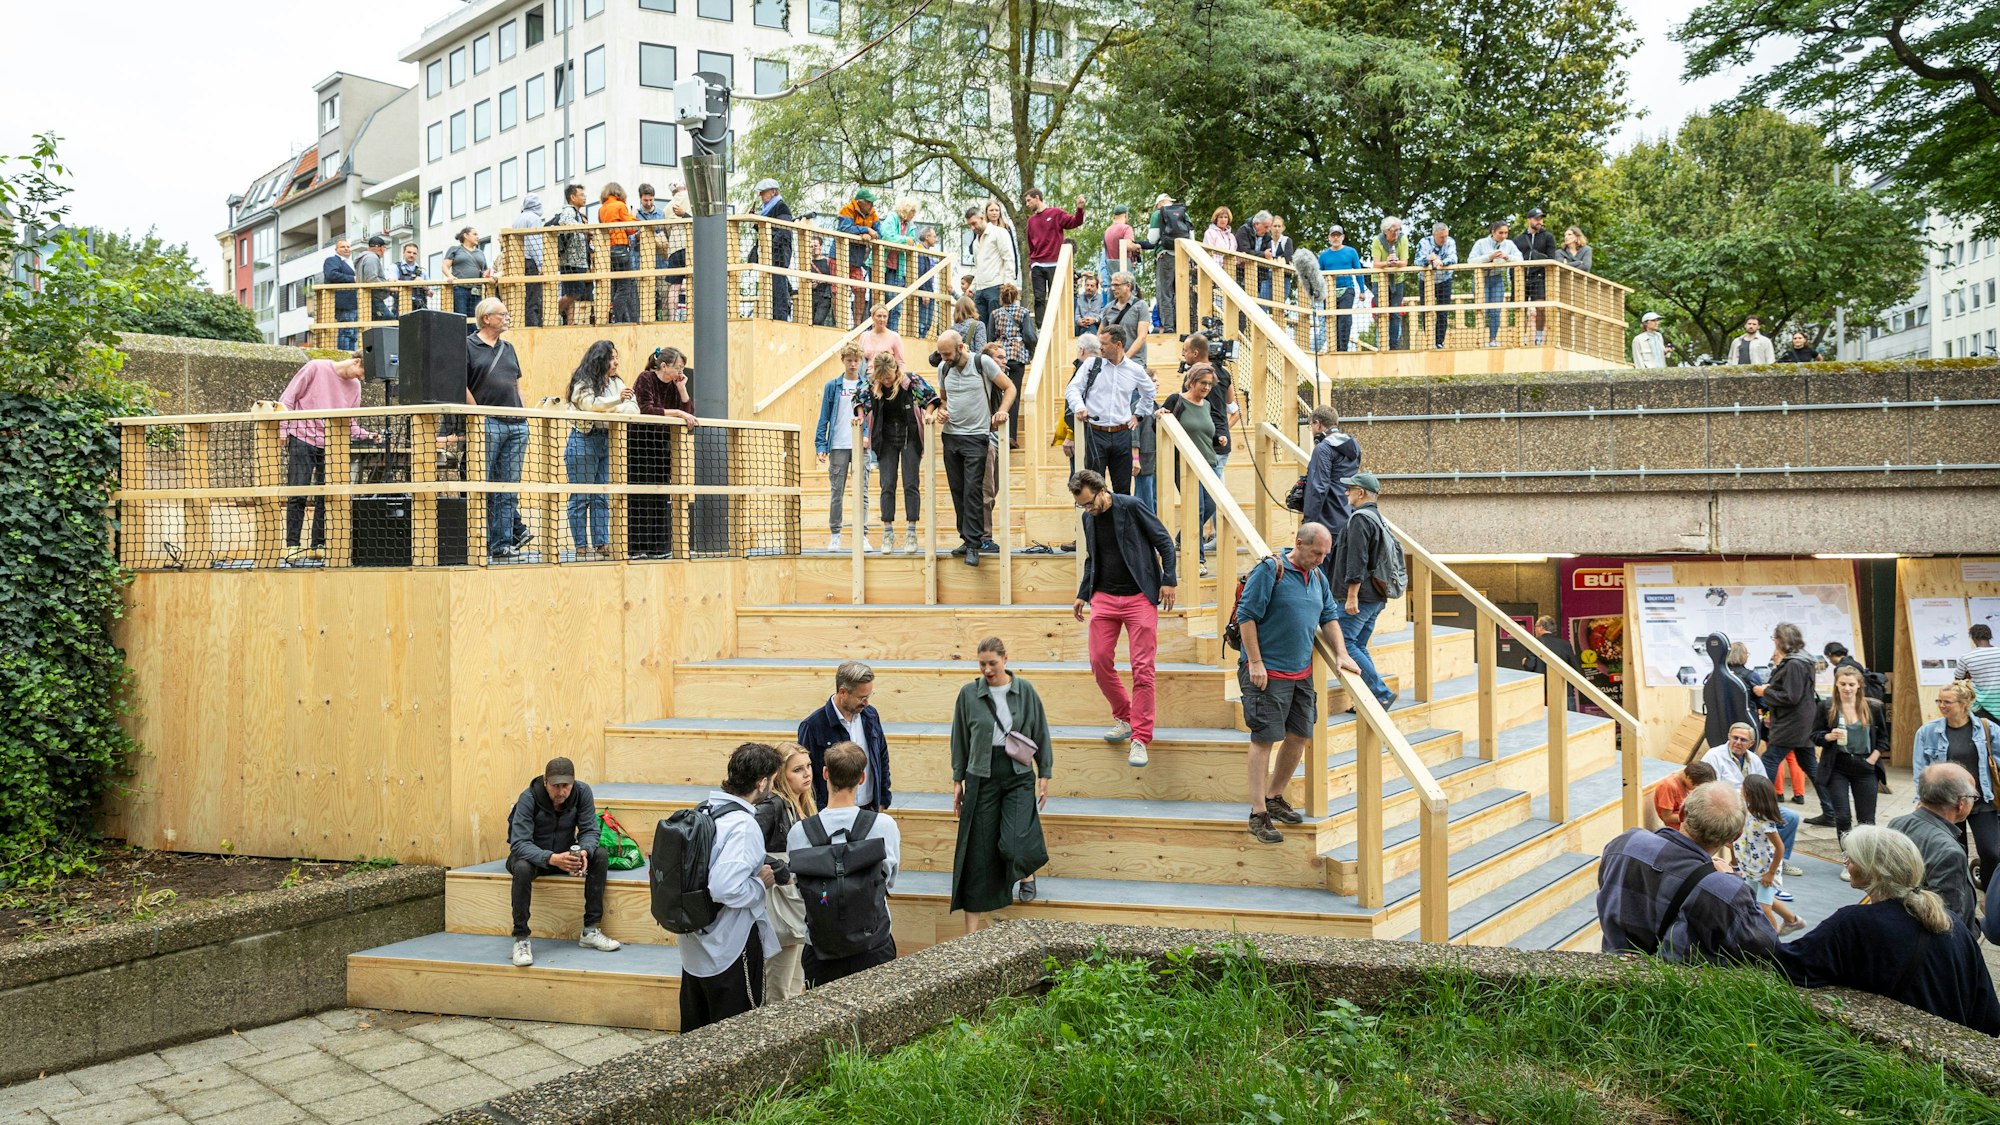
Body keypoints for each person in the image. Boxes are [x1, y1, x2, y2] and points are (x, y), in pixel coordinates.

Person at [1777, 826, 2000, 1035]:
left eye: (1850, 858)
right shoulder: (1951, 923)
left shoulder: (1853, 923)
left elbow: (1785, 965)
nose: (1845, 862)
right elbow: (1989, 1016)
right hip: (1947, 1054)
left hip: (1892, 1051)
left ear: (1872, 870)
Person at [1236, 523, 1361, 843]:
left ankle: (1274, 797)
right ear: (1299, 543)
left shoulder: (1317, 577)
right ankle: (1257, 813)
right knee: (1264, 738)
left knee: (1300, 735)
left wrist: (1342, 653)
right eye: (1316, 553)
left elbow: (1329, 617)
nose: (1321, 559)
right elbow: (1246, 616)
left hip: (1300, 673)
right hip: (1267, 672)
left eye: (1325, 554)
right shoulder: (1270, 570)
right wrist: (1255, 662)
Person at [1596, 781, 1777, 963]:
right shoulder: (1725, 890)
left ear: (1681, 813)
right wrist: (1730, 879)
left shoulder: (1624, 843)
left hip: (1612, 968)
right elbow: (1768, 947)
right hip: (1671, 978)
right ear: (1735, 837)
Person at [1070, 469, 1178, 768]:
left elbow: (1164, 542)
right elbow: (1092, 558)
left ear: (1103, 491)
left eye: (1090, 503)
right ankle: (1125, 717)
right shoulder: (1088, 519)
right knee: (1098, 661)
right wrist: (1083, 593)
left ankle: (1140, 738)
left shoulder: (1131, 506)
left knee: (1143, 669)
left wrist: (1169, 579)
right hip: (1104, 597)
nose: (1087, 510)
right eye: (1082, 506)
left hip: (1139, 596)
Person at [949, 637, 1052, 930]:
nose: (987, 670)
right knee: (979, 851)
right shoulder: (969, 694)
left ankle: (1027, 872)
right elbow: (960, 737)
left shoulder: (1025, 691)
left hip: (1018, 774)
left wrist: (1044, 772)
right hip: (981, 774)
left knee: (1013, 844)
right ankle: (973, 928)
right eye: (982, 664)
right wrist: (957, 779)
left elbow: (1040, 731)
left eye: (992, 663)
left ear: (1005, 658)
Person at [680, 742, 782, 1032]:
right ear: (761, 782)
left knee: (695, 1034)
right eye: (772, 781)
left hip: (694, 942)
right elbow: (724, 887)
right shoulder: (743, 825)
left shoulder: (703, 810)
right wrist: (760, 884)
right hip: (730, 946)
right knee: (737, 1035)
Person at [789, 740, 904, 983]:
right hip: (874, 944)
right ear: (862, 778)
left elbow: (800, 889)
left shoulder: (799, 832)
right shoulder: (884, 825)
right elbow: (888, 881)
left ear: (825, 774)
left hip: (821, 948)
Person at [505, 756, 621, 968]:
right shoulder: (528, 798)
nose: (561, 792)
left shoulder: (582, 792)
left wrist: (583, 852)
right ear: (545, 782)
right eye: (555, 786)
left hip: (564, 854)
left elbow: (590, 830)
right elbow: (519, 843)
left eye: (566, 786)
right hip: (533, 857)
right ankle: (521, 939)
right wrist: (551, 858)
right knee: (521, 867)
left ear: (573, 782)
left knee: (600, 855)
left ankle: (590, 930)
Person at [277, 355, 374, 564]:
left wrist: (368, 435)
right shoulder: (315, 367)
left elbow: (351, 424)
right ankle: (292, 545)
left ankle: (318, 545)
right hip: (302, 438)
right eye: (362, 373)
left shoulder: (355, 386)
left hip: (332, 444)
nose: (361, 378)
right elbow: (287, 399)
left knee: (326, 496)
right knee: (298, 493)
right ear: (356, 362)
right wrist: (283, 429)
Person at [932, 330, 1014, 566]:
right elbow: (944, 399)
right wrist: (941, 411)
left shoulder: (982, 362)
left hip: (977, 435)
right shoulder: (943, 368)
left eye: (948, 354)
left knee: (973, 490)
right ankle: (966, 538)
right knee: (958, 490)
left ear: (961, 348)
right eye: (941, 354)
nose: (944, 358)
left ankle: (974, 543)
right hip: (951, 436)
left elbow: (1010, 388)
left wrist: (1002, 411)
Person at [1913, 680, 2000, 886]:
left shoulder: (1987, 729)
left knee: (1992, 853)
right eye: (1939, 701)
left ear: (1963, 704)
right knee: (1954, 854)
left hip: (1981, 801)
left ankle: (1990, 893)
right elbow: (1921, 771)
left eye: (1947, 702)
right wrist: (1920, 799)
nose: (1942, 706)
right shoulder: (1927, 732)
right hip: (1946, 803)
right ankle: (1961, 894)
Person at [465, 298, 531, 559]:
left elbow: (517, 384)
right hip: (488, 422)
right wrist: (477, 415)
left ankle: (501, 544)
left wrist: (524, 413)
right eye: (502, 314)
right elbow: (461, 384)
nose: (507, 318)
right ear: (486, 318)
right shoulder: (468, 346)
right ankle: (478, 541)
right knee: (484, 485)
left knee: (508, 488)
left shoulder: (509, 348)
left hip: (517, 425)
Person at [1329, 471, 1401, 711]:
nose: (1345, 493)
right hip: (1375, 596)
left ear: (1360, 493)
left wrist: (1352, 595)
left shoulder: (1360, 519)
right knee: (1357, 645)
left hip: (1361, 597)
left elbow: (1357, 559)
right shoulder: (1377, 518)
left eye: (1349, 489)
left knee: (1344, 643)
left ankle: (1381, 694)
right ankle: (1372, 698)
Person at [857, 353, 938, 555]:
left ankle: (911, 532)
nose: (886, 381)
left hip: (909, 435)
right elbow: (858, 401)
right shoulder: (872, 384)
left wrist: (928, 413)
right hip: (885, 438)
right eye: (882, 378)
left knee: (911, 483)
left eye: (889, 377)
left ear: (895, 370)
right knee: (887, 484)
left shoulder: (911, 381)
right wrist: (860, 417)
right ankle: (888, 533)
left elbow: (931, 397)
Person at [1701, 722, 1804, 879]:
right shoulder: (1713, 755)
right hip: (1729, 806)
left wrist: (1766, 806)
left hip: (1755, 806)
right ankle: (1744, 861)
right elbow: (1710, 788)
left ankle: (1778, 861)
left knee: (1791, 817)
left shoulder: (1754, 759)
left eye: (1743, 740)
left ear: (1751, 743)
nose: (1738, 742)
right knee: (1751, 824)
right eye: (1735, 738)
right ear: (1728, 737)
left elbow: (1765, 785)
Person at [565, 340, 637, 559]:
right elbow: (590, 405)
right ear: (600, 360)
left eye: (616, 358)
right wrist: (617, 402)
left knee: (602, 496)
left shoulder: (617, 382)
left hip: (608, 440)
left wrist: (612, 407)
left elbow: (633, 407)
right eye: (611, 358)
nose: (616, 363)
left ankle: (601, 543)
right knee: (581, 495)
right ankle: (580, 545)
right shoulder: (583, 381)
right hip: (584, 439)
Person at [1889, 763, 1981, 933]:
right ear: (1961, 802)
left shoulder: (1897, 823)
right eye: (1973, 797)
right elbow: (1947, 920)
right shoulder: (1949, 852)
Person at [1066, 323, 1156, 496]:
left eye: (1104, 344)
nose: (1100, 347)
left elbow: (1149, 392)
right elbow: (1072, 388)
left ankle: (1119, 515)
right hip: (1095, 433)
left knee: (1123, 489)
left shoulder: (1135, 369)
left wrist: (1138, 415)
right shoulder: (1092, 364)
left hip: (1122, 434)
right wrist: (1079, 406)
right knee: (1093, 488)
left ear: (1118, 345)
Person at [754, 745, 814, 1002]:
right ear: (780, 775)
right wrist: (780, 870)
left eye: (808, 766)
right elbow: (748, 845)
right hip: (780, 900)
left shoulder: (803, 802)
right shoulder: (773, 804)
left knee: (796, 982)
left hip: (798, 900)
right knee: (778, 984)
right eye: (798, 769)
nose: (807, 773)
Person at [1755, 623, 1830, 825]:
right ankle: (1831, 812)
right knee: (1810, 766)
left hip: (1791, 724)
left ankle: (1761, 808)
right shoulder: (1803, 659)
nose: (1774, 642)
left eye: (1775, 638)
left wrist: (1765, 691)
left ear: (1781, 640)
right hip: (1802, 722)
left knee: (1769, 761)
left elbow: (1791, 696)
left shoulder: (1794, 664)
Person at [1812, 663, 1887, 865]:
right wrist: (1828, 736)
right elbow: (1814, 735)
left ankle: (1865, 861)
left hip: (1865, 766)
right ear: (1836, 684)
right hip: (1838, 766)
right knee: (1843, 816)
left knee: (1866, 820)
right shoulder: (1827, 707)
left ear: (1859, 685)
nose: (1847, 688)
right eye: (1843, 684)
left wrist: (1873, 758)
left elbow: (1884, 739)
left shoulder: (1872, 707)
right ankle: (1849, 860)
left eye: (1851, 684)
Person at [797, 661, 894, 813]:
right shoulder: (813, 725)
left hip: (870, 810)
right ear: (842, 692)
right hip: (831, 814)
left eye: (869, 696)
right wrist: (818, 813)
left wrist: (882, 800)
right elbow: (807, 775)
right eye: (861, 698)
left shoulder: (871, 715)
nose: (866, 703)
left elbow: (882, 757)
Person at [630, 346, 693, 558]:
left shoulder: (675, 385)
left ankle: (659, 548)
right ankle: (637, 547)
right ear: (664, 366)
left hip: (662, 446)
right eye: (678, 367)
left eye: (682, 368)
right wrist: (678, 413)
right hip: (640, 445)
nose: (681, 372)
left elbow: (690, 415)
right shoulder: (645, 378)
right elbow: (645, 409)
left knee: (660, 494)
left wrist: (682, 390)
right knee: (641, 495)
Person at [1160, 365, 1221, 567]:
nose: (1207, 387)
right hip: (1185, 464)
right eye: (1203, 383)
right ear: (1192, 382)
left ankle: (1181, 538)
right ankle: (1198, 560)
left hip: (1209, 463)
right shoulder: (1176, 400)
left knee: (1211, 505)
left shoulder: (1207, 405)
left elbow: (1203, 434)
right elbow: (1157, 427)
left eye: (1210, 384)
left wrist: (1218, 439)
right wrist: (1159, 415)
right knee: (1197, 508)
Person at [814, 343, 871, 553]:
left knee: (862, 492)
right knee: (836, 492)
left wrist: (866, 435)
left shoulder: (866, 386)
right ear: (843, 361)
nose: (853, 364)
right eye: (849, 360)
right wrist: (820, 444)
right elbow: (824, 417)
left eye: (856, 360)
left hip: (860, 446)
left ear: (861, 361)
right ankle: (835, 535)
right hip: (838, 444)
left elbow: (870, 417)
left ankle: (862, 535)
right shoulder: (833, 386)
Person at [1736, 775, 1805, 936]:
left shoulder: (1764, 819)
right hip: (1752, 866)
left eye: (1743, 787)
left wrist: (1771, 873)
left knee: (1763, 908)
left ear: (1750, 793)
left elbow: (1780, 847)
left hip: (1766, 868)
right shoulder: (1746, 809)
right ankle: (1792, 920)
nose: (1740, 789)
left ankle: (1773, 941)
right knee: (1757, 898)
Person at [1301, 405, 1361, 548]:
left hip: (1326, 524)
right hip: (1348, 520)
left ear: (1318, 424)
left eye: (1311, 426)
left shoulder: (1323, 449)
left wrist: (1308, 524)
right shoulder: (1355, 446)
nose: (1312, 430)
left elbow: (1318, 489)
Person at [1024, 188, 1085, 323]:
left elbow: (1075, 222)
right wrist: (1030, 265)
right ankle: (1041, 327)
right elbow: (1030, 245)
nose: (1027, 204)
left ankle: (1057, 325)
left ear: (1037, 198)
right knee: (1039, 298)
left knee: (1055, 297)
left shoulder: (1056, 213)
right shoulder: (1031, 221)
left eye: (1029, 200)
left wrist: (1080, 209)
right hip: (1037, 264)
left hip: (1054, 263)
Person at [989, 282, 1038, 448]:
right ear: (1016, 297)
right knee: (1013, 395)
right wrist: (1030, 351)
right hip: (1017, 356)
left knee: (999, 395)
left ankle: (996, 434)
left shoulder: (995, 314)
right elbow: (1029, 336)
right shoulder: (1023, 312)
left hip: (999, 358)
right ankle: (1011, 436)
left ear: (1001, 298)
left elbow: (990, 337)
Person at [1141, 193, 1193, 333]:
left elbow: (1152, 239)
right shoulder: (1183, 213)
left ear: (1158, 204)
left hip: (1165, 256)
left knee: (1165, 293)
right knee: (1182, 293)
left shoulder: (1157, 214)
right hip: (1183, 256)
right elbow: (1191, 237)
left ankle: (1169, 328)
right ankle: (1184, 327)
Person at [1468, 220, 1523, 347]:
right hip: (1481, 279)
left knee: (1495, 311)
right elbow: (1471, 261)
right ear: (1493, 232)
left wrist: (1507, 257)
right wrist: (1489, 257)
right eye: (1500, 233)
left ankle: (1492, 339)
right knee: (1482, 310)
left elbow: (1520, 258)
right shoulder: (1481, 243)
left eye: (1506, 233)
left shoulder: (1509, 244)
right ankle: (1480, 339)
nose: (1503, 236)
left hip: (1497, 279)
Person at [836, 187, 882, 326]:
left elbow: (879, 233)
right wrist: (865, 230)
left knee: (861, 290)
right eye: (869, 202)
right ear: (860, 202)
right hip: (839, 257)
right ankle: (839, 323)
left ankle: (857, 325)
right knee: (837, 290)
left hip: (856, 261)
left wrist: (870, 234)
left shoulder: (873, 214)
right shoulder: (847, 209)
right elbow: (844, 228)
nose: (871, 205)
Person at [1521, 615, 1586, 712]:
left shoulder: (1534, 643)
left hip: (1542, 694)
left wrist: (1524, 662)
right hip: (1564, 692)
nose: (1535, 630)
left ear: (1541, 627)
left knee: (1544, 720)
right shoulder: (1565, 644)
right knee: (1569, 720)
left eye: (1535, 627)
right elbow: (1575, 669)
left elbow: (1530, 666)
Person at [966, 204, 1016, 329]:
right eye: (969, 225)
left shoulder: (999, 232)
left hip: (996, 287)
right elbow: (978, 267)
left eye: (974, 223)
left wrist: (1008, 286)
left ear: (982, 218)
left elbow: (1009, 258)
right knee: (980, 328)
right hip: (980, 291)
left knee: (996, 329)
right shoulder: (975, 243)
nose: (972, 228)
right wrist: (972, 288)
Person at [751, 178, 794, 322]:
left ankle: (780, 318)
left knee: (778, 288)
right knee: (770, 288)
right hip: (770, 255)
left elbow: (783, 231)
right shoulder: (767, 210)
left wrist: (770, 244)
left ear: (773, 192)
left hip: (779, 255)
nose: (761, 195)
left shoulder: (781, 207)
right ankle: (772, 316)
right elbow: (767, 231)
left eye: (763, 192)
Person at [1512, 207, 1556, 346]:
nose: (1539, 221)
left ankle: (1538, 337)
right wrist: (1512, 279)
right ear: (1529, 220)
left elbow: (1552, 258)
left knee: (1541, 307)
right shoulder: (1518, 240)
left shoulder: (1548, 237)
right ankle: (1522, 336)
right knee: (1521, 308)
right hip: (1521, 277)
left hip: (1539, 276)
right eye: (1537, 219)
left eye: (1541, 219)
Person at [595, 184, 637, 324]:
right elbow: (631, 228)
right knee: (624, 286)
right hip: (620, 248)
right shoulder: (620, 206)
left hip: (608, 250)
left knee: (615, 285)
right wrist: (633, 216)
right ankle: (618, 318)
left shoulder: (602, 209)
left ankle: (617, 316)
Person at [553, 184, 594, 325]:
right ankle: (549, 314)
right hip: (572, 260)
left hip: (574, 260)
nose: (584, 197)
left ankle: (569, 323)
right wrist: (585, 229)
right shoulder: (569, 211)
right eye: (581, 195)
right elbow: (565, 221)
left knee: (571, 294)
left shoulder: (576, 214)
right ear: (572, 197)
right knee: (574, 292)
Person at [1370, 216, 1413, 350]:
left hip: (1398, 280)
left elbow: (1404, 262)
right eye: (1392, 230)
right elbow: (1376, 264)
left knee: (1395, 313)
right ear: (1385, 231)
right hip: (1379, 281)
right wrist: (1387, 263)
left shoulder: (1403, 239)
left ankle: (1393, 345)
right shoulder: (1377, 241)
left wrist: (1396, 262)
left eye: (1397, 230)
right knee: (1381, 313)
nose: (1395, 233)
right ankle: (1381, 345)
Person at [1319, 226, 1364, 353]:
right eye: (1333, 235)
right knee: (1331, 319)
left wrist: (1362, 290)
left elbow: (1358, 271)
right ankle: (1333, 348)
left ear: (1342, 237)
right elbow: (1319, 275)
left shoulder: (1351, 252)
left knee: (1344, 318)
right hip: (1329, 291)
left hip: (1347, 289)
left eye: (1338, 235)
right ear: (1329, 237)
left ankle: (1342, 349)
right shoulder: (1323, 256)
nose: (1335, 238)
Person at [1413, 222, 1457, 349]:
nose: (1444, 239)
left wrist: (1441, 262)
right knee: (1426, 311)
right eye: (1441, 237)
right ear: (1434, 234)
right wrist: (1429, 259)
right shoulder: (1424, 242)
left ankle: (1439, 342)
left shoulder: (1450, 242)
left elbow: (1453, 258)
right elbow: (1417, 261)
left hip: (1445, 280)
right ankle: (1429, 340)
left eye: (1446, 236)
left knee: (1443, 312)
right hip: (1426, 281)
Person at [878, 198, 917, 332]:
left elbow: (913, 241)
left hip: (898, 268)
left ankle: (892, 332)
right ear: (905, 210)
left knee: (897, 304)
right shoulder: (892, 218)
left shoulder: (911, 225)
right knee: (883, 299)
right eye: (912, 211)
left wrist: (906, 241)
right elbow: (887, 236)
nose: (914, 214)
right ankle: (878, 330)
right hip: (882, 265)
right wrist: (905, 240)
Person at [1099, 271, 1152, 366]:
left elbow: (1142, 336)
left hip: (1135, 361)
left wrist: (1125, 358)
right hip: (1112, 362)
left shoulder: (1141, 306)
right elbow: (1100, 334)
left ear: (1128, 286)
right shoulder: (1108, 308)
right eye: (1112, 285)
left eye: (1117, 285)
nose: (1113, 289)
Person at [510, 194, 547, 326]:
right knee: (534, 296)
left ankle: (523, 323)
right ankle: (533, 325)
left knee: (521, 296)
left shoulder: (517, 220)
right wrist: (541, 264)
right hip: (531, 262)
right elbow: (534, 242)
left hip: (518, 262)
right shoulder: (534, 218)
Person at [1653, 761, 1719, 829]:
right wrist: (1694, 819)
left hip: (1691, 818)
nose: (1695, 790)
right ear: (1689, 779)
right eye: (1696, 787)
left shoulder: (1689, 781)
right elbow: (1667, 817)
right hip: (1681, 827)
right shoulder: (1668, 786)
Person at [444, 225, 490, 320]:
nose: (477, 237)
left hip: (477, 289)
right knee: (461, 317)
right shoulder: (455, 249)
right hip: (460, 289)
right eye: (474, 234)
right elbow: (445, 266)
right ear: (466, 235)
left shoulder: (480, 252)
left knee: (476, 318)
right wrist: (450, 276)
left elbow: (484, 270)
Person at [1291, 243, 1328, 353]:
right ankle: (1311, 350)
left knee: (1326, 330)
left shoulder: (1315, 276)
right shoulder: (1306, 276)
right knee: (1324, 329)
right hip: (1318, 298)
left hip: (1322, 295)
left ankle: (1312, 349)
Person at [323, 239, 358, 350]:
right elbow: (331, 274)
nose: (346, 249)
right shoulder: (332, 260)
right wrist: (352, 279)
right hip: (343, 302)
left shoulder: (351, 263)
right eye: (343, 247)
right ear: (336, 249)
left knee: (353, 333)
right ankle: (344, 354)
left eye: (348, 246)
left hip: (353, 302)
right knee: (346, 331)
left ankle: (351, 354)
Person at [1962, 623, 2000, 722]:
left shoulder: (1966, 657)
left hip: (1981, 708)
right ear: (1990, 636)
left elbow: (1958, 680)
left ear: (1973, 638)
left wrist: (1968, 675)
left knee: (1985, 731)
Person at [1234, 210, 1275, 301]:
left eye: (1269, 227)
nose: (1268, 230)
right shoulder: (1243, 230)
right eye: (1266, 227)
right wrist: (1263, 254)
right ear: (1256, 224)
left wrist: (1265, 255)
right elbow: (1246, 252)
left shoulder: (1267, 236)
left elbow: (1269, 254)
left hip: (1258, 277)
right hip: (1240, 273)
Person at [859, 301, 905, 370]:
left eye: (885, 316)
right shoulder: (864, 336)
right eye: (879, 316)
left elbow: (900, 363)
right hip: (866, 375)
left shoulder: (895, 337)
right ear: (872, 317)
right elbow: (858, 359)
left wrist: (901, 376)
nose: (882, 319)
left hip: (886, 375)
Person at [354, 235, 390, 323]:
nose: (384, 251)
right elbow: (371, 279)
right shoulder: (371, 258)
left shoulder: (364, 258)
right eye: (384, 248)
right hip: (373, 298)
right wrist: (388, 286)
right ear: (379, 247)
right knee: (390, 320)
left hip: (366, 298)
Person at [1101, 204, 1133, 290]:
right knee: (1130, 292)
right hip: (1125, 270)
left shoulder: (1107, 231)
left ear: (1114, 216)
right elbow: (1128, 245)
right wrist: (1136, 247)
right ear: (1126, 215)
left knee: (1112, 292)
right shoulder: (1126, 228)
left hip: (1111, 271)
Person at [395, 242, 430, 313]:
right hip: (401, 308)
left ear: (417, 255)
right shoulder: (395, 267)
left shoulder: (423, 271)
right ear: (403, 252)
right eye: (409, 252)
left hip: (420, 308)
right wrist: (413, 283)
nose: (411, 255)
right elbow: (392, 282)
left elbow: (430, 290)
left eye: (414, 253)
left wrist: (426, 288)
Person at [1073, 272, 1106, 338]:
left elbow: (1104, 315)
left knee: (1092, 328)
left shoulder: (1101, 299)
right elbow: (1077, 314)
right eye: (1087, 285)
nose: (1089, 288)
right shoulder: (1080, 298)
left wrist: (1095, 319)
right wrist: (1079, 321)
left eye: (1092, 286)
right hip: (1081, 326)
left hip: (1096, 325)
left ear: (1097, 287)